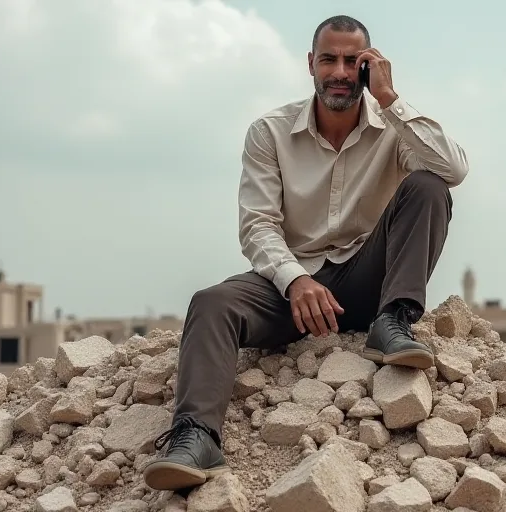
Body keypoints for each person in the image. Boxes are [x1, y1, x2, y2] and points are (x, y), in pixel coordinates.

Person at [140, 14, 469, 491]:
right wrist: (294, 279)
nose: (339, 71)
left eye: (352, 61)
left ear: (369, 65)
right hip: (295, 291)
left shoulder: (395, 129)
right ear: (310, 64)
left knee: (428, 187)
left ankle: (394, 321)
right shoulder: (269, 132)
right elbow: (258, 225)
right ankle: (196, 437)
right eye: (329, 59)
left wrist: (390, 100)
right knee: (212, 302)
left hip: (369, 281)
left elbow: (453, 169)